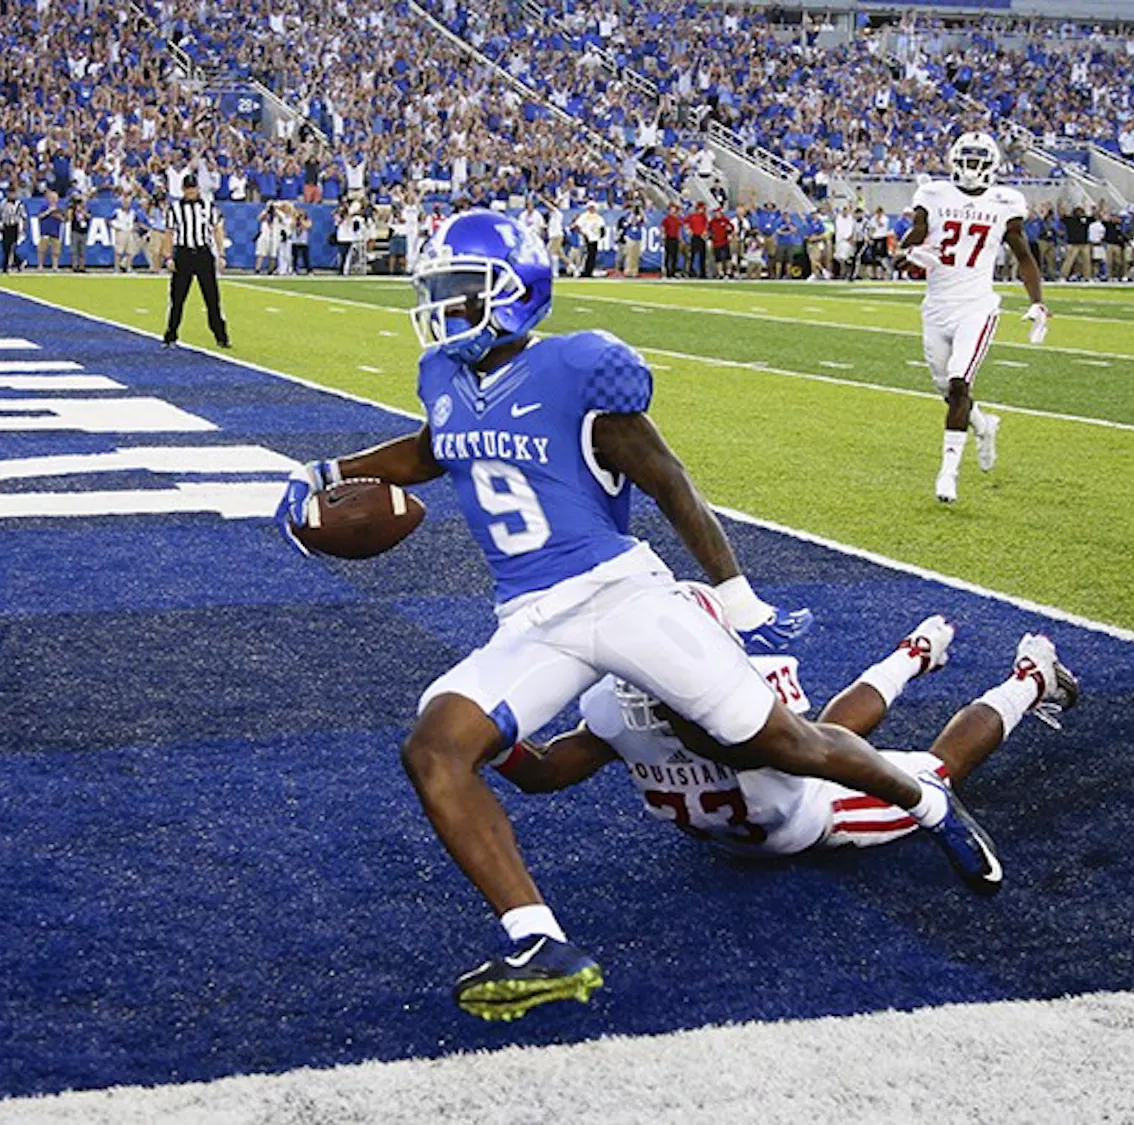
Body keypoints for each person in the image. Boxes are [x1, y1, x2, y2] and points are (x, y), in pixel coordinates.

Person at [273, 210, 1005, 1022]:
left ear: (514, 293)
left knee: (782, 742)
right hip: (532, 618)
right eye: (438, 291)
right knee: (435, 746)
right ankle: (539, 942)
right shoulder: (446, 381)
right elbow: (434, 446)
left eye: (458, 292)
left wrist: (734, 592)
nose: (442, 308)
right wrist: (332, 467)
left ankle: (929, 803)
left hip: (622, 595)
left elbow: (668, 480)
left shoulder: (581, 369)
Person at [495, 601, 1078, 863]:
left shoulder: (725, 684)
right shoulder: (617, 700)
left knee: (924, 773)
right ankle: (921, 656)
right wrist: (494, 737)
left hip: (808, 816)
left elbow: (783, 748)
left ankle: (1026, 680)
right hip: (789, 820)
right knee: (824, 742)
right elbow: (544, 770)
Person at [895, 132, 1048, 505]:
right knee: (946, 389)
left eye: (979, 161)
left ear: (992, 165)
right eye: (967, 159)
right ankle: (984, 424)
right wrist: (911, 254)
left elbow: (1023, 256)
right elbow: (912, 240)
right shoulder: (933, 195)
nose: (972, 168)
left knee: (960, 382)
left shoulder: (1005, 202)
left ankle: (948, 472)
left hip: (976, 307)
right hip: (936, 307)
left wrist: (1038, 301)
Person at [162, 174, 230, 349]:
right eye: (188, 189)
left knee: (212, 297)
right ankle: (170, 335)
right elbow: (168, 233)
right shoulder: (175, 208)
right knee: (177, 298)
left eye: (194, 188)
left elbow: (217, 230)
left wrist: (221, 254)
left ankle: (221, 336)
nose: (191, 192)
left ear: (197, 188)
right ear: (183, 189)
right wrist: (168, 257)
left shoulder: (208, 206)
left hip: (203, 254)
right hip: (183, 254)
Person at [572, 201, 605, 278]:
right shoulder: (584, 216)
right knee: (586, 255)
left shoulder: (598, 217)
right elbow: (576, 225)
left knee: (592, 255)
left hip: (595, 238)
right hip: (587, 237)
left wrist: (601, 234)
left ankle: (589, 271)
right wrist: (583, 233)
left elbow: (601, 226)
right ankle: (584, 271)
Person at [37, 191, 64, 270]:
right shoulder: (44, 207)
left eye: (55, 198)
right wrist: (48, 211)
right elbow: (39, 216)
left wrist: (57, 216)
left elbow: (64, 219)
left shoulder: (59, 208)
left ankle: (55, 266)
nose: (53, 200)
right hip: (45, 231)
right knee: (42, 250)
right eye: (52, 198)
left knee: (55, 251)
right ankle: (40, 265)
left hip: (55, 231)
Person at [1, 186, 25, 272]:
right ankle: (18, 262)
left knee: (12, 246)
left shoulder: (19, 204)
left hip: (15, 226)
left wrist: (23, 228)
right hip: (5, 226)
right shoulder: (3, 203)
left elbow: (23, 216)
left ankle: (7, 266)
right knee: (5, 247)